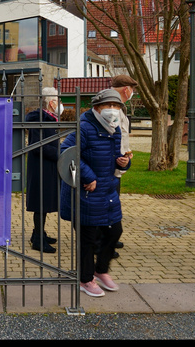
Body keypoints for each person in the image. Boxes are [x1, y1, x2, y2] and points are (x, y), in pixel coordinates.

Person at [58, 89, 132, 297]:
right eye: (108, 106)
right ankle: (85, 279)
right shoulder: (84, 127)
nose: (113, 110)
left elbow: (118, 156)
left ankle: (101, 270)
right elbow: (66, 152)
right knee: (87, 239)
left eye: (117, 106)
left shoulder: (114, 129)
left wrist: (125, 162)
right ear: (97, 107)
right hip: (86, 193)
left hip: (107, 191)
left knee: (114, 232)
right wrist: (88, 176)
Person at [22, 87, 64, 253]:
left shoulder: (48, 118)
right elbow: (38, 147)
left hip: (47, 167)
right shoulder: (39, 119)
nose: (60, 104)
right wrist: (59, 154)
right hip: (40, 168)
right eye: (58, 101)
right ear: (52, 103)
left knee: (44, 202)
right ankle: (38, 240)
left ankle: (38, 233)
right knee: (41, 203)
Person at [107, 74, 137, 250]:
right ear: (126, 89)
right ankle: (106, 240)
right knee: (109, 203)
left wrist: (126, 152)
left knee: (113, 202)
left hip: (118, 162)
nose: (132, 92)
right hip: (110, 164)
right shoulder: (112, 107)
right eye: (132, 89)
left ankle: (110, 237)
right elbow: (110, 136)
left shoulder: (118, 105)